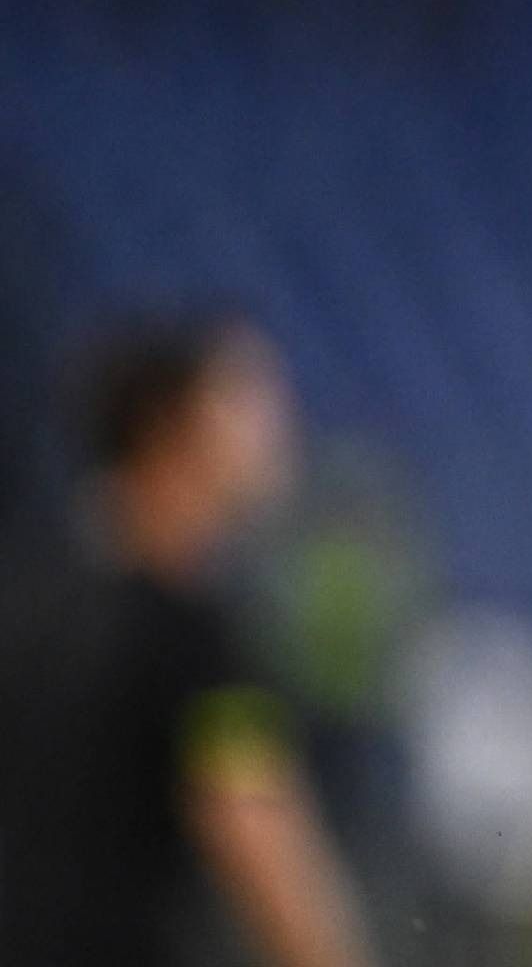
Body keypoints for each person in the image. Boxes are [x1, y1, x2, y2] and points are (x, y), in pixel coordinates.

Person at [0, 315, 376, 966]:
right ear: (170, 427)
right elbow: (260, 832)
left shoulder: (23, 598)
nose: (276, 429)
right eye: (246, 400)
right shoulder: (199, 646)